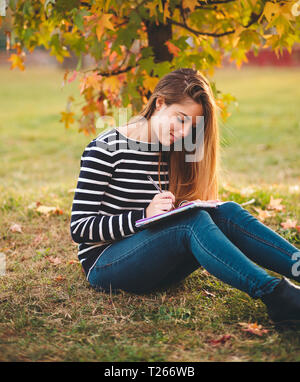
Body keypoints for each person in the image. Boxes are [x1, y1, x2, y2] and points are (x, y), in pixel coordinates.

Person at [70, 68, 300, 324]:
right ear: (159, 103)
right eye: (180, 119)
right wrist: (143, 215)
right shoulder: (105, 149)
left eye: (190, 126)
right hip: (106, 265)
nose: (182, 133)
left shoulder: (174, 148)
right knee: (192, 224)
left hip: (156, 261)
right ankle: (278, 298)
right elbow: (79, 229)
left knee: (227, 211)